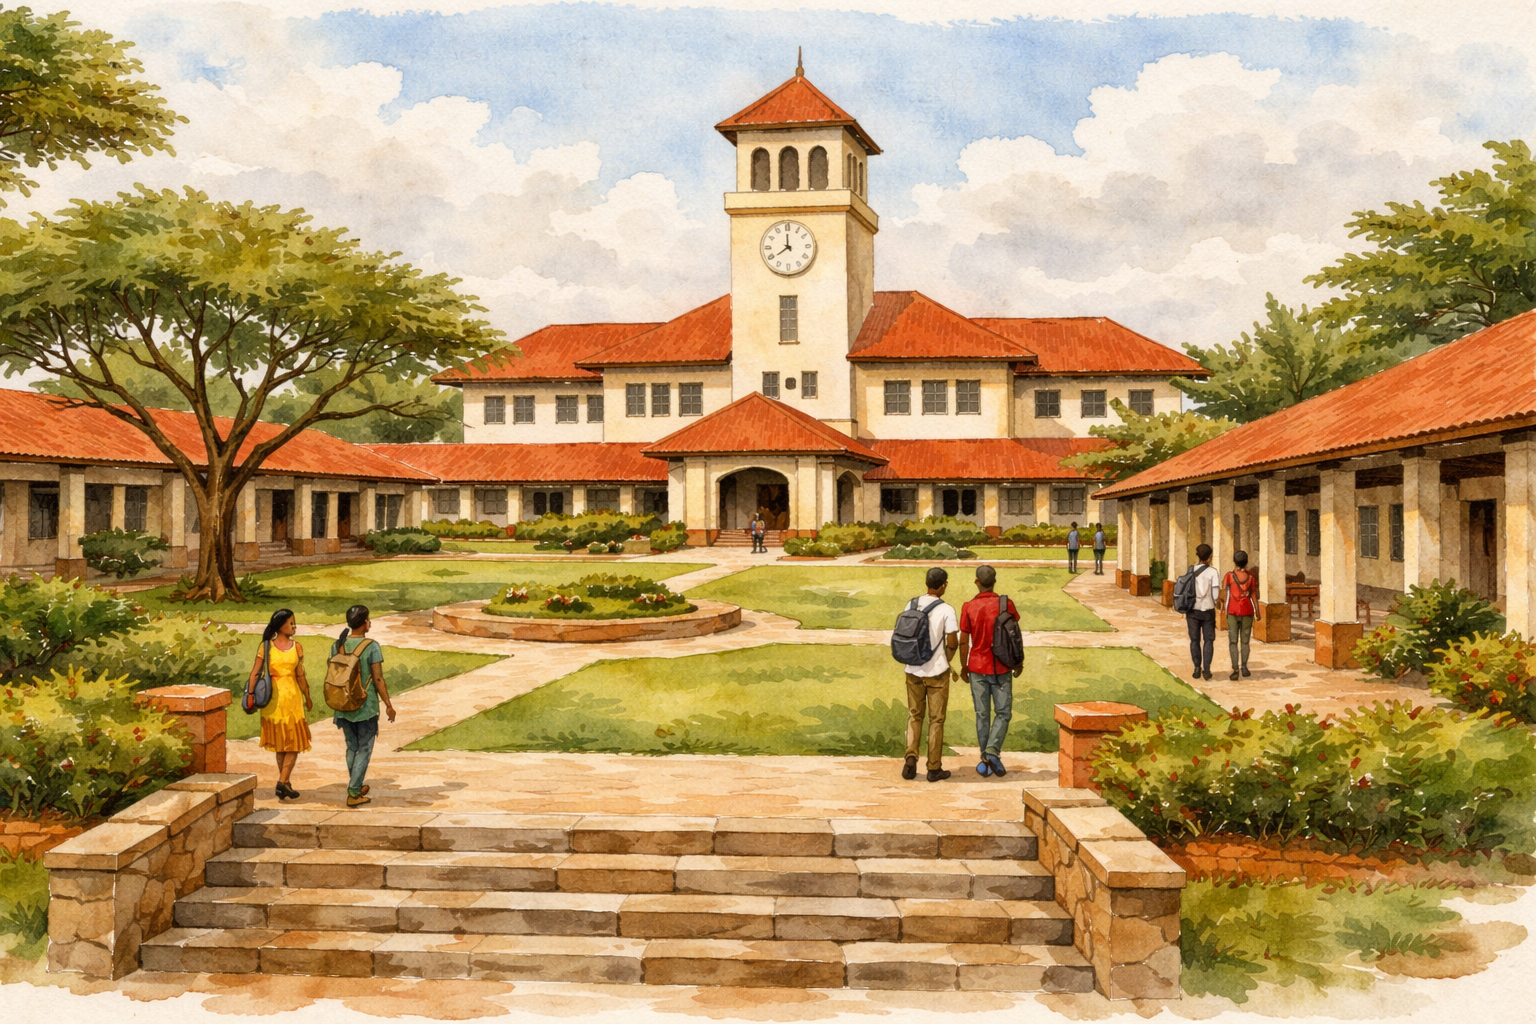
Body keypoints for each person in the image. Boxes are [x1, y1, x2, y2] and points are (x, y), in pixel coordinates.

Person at [958, 565, 1020, 778]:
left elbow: (963, 641)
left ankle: (987, 755)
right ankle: (991, 753)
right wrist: (1018, 661)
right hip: (1002, 665)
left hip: (976, 666)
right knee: (1003, 713)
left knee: (982, 714)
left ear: (977, 582)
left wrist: (963, 665)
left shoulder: (968, 607)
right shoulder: (1006, 604)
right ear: (994, 581)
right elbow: (1015, 636)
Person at [331, 604, 396, 808]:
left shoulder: (337, 645)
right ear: (364, 623)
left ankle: (355, 785)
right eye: (368, 619)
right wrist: (388, 704)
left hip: (342, 702)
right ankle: (353, 791)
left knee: (352, 746)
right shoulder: (371, 646)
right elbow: (378, 679)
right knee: (365, 747)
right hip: (365, 706)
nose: (370, 622)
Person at [902, 567, 960, 783]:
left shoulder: (912, 603)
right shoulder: (947, 610)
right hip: (937, 673)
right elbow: (952, 642)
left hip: (913, 669)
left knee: (915, 715)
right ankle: (933, 767)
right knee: (936, 720)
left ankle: (910, 757)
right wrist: (946, 659)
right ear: (943, 584)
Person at [249, 609, 311, 800]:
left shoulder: (297, 647)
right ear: (280, 625)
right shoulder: (266, 646)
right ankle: (283, 782)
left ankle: (284, 781)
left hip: (291, 700)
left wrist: (307, 695)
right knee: (284, 745)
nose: (294, 626)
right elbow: (255, 673)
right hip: (273, 700)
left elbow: (300, 675)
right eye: (290, 623)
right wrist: (250, 695)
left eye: (294, 622)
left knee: (291, 743)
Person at [1221, 550, 1257, 680]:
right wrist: (1257, 611)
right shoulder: (1251, 578)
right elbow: (1253, 595)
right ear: (1246, 562)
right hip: (1247, 611)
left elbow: (1224, 592)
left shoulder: (1229, 576)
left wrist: (1222, 609)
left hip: (1232, 611)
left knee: (1233, 641)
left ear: (1234, 562)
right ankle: (1245, 667)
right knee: (1245, 641)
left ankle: (1235, 669)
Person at [1185, 543, 1218, 681]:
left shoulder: (1191, 570)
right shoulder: (1213, 572)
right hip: (1208, 609)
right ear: (1210, 557)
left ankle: (1197, 668)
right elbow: (1215, 594)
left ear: (1197, 556)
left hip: (1192, 609)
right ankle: (1207, 669)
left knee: (1194, 640)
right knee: (1208, 640)